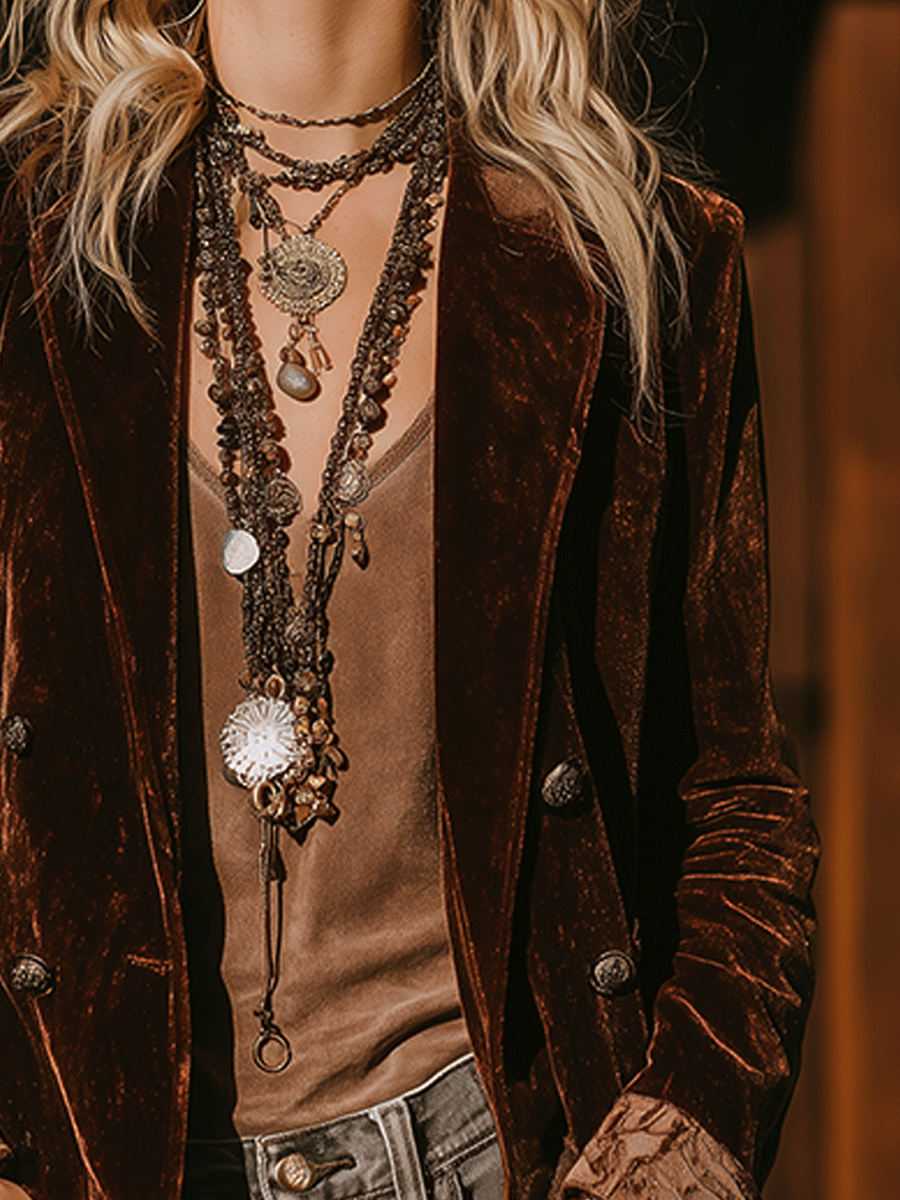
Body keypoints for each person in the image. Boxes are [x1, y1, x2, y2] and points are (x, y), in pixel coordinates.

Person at [0, 0, 819, 1197]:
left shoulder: (634, 255)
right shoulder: (30, 246)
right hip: (108, 1156)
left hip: (503, 1152)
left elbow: (735, 796)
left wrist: (670, 1150)